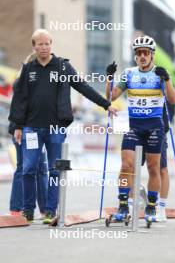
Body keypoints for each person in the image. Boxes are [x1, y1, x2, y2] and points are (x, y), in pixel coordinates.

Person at [9, 29, 117, 223]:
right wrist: (18, 126)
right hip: (31, 128)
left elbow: (83, 87)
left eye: (47, 43)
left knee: (55, 169)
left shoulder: (63, 67)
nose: (43, 47)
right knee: (28, 168)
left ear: (51, 44)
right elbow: (20, 98)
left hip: (56, 128)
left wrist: (105, 104)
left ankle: (50, 211)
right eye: (39, 44)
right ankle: (27, 211)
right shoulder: (28, 69)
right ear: (33, 46)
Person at [106, 35, 175, 222]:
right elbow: (110, 97)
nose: (142, 56)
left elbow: (172, 99)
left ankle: (152, 207)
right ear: (135, 56)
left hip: (155, 127)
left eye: (146, 53)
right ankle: (123, 205)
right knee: (126, 165)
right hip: (134, 127)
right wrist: (109, 78)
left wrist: (167, 80)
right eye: (139, 53)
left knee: (154, 167)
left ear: (152, 55)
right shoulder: (129, 73)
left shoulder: (159, 74)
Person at [8, 53, 48, 218]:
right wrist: (20, 128)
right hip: (25, 131)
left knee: (36, 169)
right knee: (27, 168)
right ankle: (22, 208)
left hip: (32, 130)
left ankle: (41, 209)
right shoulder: (24, 82)